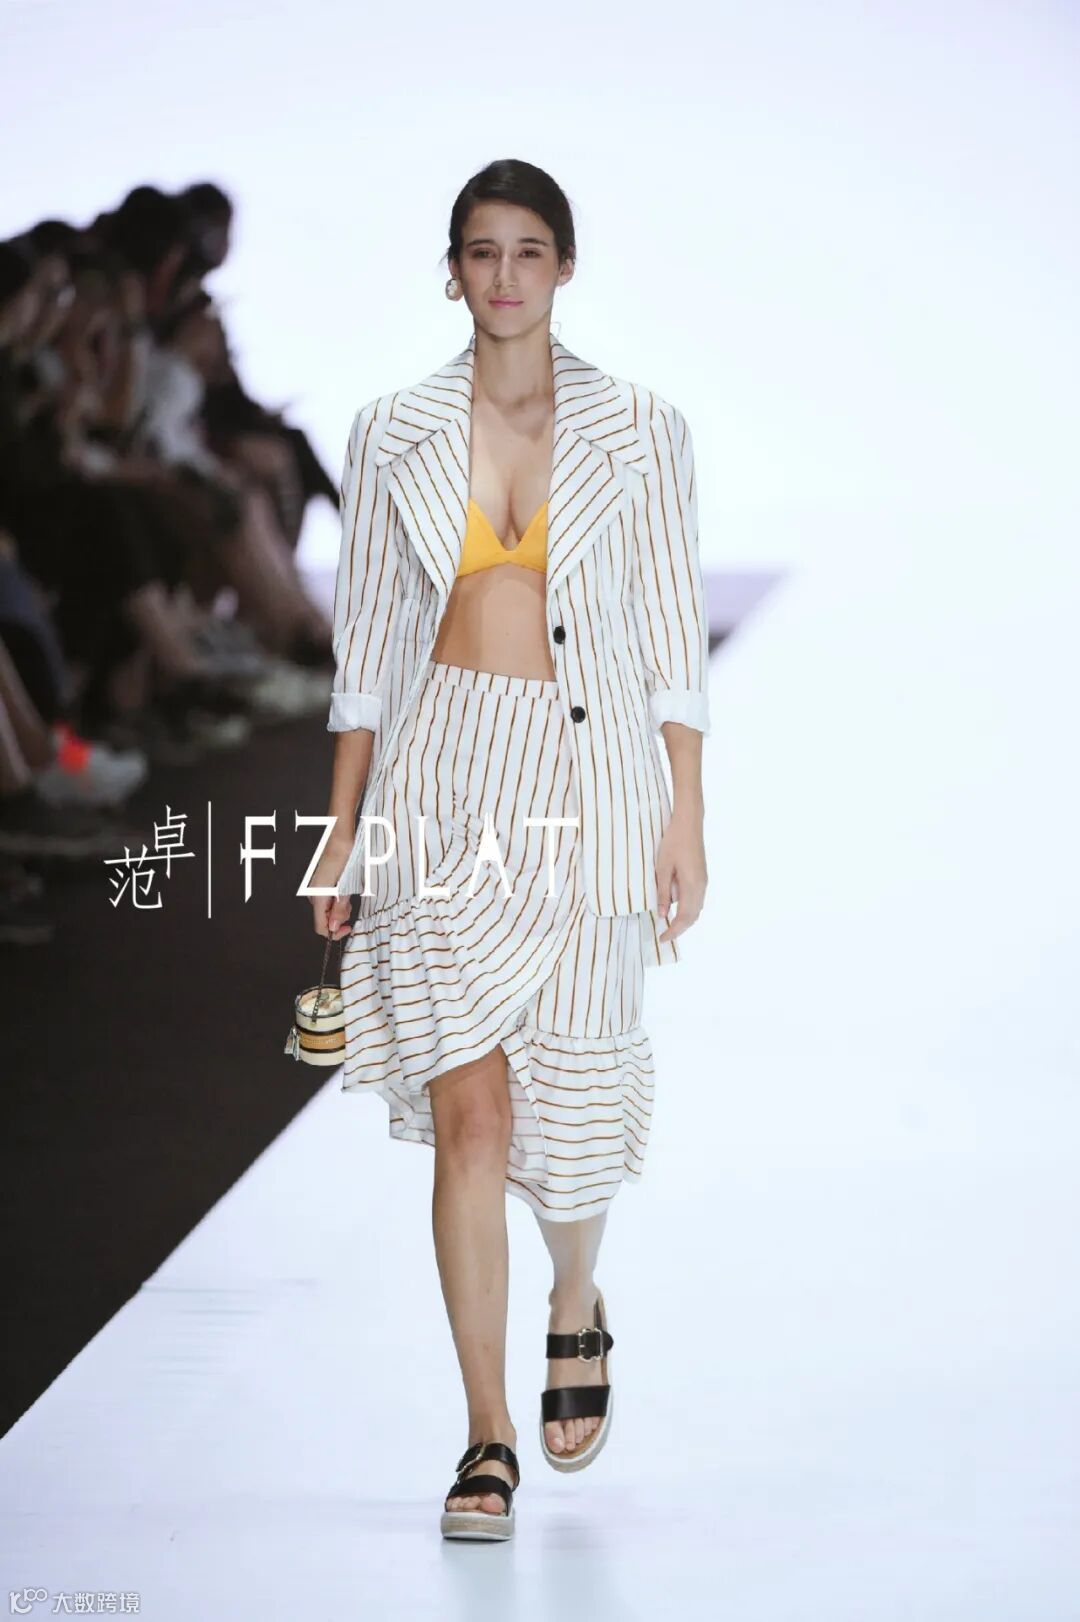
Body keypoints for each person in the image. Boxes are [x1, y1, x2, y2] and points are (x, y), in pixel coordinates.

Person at [309, 158, 711, 1541]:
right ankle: (486, 1435)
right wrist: (341, 831)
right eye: (482, 251)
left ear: (565, 267)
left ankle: (575, 1293)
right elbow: (366, 647)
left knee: (577, 1107)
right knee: (471, 1118)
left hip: (591, 782)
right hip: (444, 781)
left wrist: (685, 809)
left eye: (529, 250)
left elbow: (672, 633)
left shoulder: (644, 430)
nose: (505, 276)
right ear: (452, 270)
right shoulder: (392, 433)